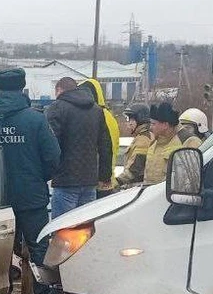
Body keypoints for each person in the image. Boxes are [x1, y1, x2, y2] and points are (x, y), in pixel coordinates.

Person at [0, 68, 61, 294]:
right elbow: (53, 158)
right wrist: (35, 178)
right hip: (31, 199)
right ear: (22, 87)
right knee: (40, 251)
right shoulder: (36, 120)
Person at [45, 77, 112, 216]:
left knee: (63, 230)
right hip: (90, 181)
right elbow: (106, 145)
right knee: (85, 230)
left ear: (58, 90)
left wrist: (48, 173)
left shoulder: (57, 108)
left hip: (65, 181)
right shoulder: (96, 110)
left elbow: (50, 146)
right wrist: (104, 176)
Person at [79, 79, 120, 198]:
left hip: (101, 179)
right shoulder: (108, 115)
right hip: (106, 177)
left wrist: (103, 176)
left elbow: (105, 149)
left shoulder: (99, 115)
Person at [144, 101, 183, 185]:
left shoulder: (177, 149)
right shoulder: (153, 145)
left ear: (165, 125)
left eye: (154, 124)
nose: (150, 127)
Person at [116, 104, 153, 188]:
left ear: (140, 120)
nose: (129, 123)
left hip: (136, 187)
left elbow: (135, 168)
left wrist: (117, 181)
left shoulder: (143, 139)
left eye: (131, 119)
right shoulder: (143, 136)